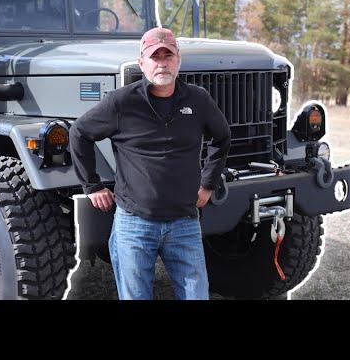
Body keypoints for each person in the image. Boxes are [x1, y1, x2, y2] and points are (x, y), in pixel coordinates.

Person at [69, 27, 231, 300]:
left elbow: (222, 137)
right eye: (155, 56)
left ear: (178, 60)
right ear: (142, 63)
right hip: (134, 224)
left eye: (169, 55)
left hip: (184, 223)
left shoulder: (198, 99)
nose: (162, 62)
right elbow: (79, 133)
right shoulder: (121, 102)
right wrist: (92, 185)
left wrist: (208, 184)